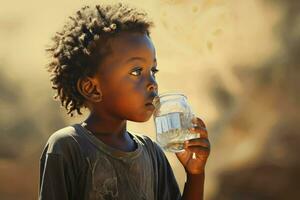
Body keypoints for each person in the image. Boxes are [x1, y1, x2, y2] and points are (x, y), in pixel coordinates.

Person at [39, 2, 210, 200]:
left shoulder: (152, 154)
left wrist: (195, 174)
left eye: (153, 71)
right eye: (137, 71)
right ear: (92, 88)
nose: (152, 84)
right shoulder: (67, 146)